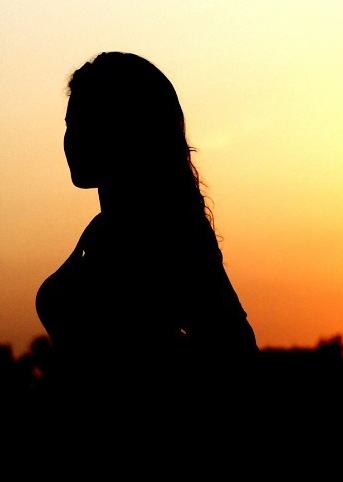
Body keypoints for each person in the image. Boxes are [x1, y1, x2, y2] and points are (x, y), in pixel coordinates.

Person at [35, 51, 259, 403]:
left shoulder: (165, 235)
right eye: (69, 125)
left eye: (86, 124)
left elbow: (234, 350)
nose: (71, 139)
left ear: (128, 131)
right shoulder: (100, 231)